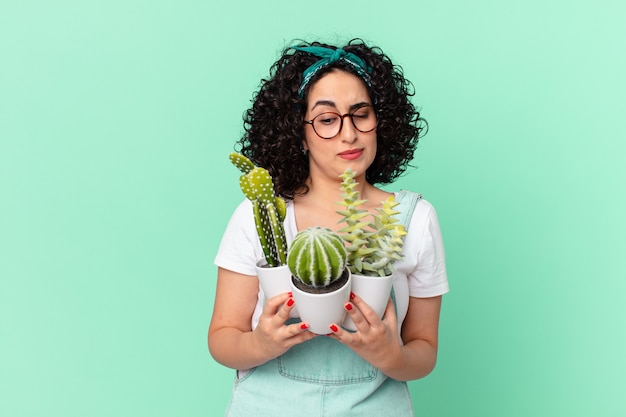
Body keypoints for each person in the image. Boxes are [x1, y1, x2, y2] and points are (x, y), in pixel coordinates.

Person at [208, 39, 449, 417]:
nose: (349, 134)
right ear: (298, 133)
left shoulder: (415, 219)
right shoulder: (261, 215)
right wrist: (262, 344)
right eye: (326, 119)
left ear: (380, 121)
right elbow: (222, 338)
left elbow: (424, 350)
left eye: (361, 114)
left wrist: (392, 354)